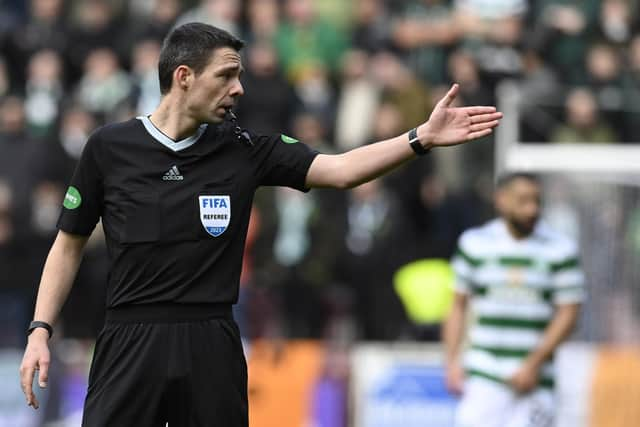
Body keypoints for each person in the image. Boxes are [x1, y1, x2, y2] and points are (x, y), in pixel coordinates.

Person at [19, 22, 502, 426]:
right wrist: (40, 329)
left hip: (211, 339)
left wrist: (419, 138)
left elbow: (341, 169)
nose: (239, 89)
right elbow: (68, 244)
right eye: (227, 75)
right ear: (184, 76)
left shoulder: (245, 149)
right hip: (129, 337)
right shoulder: (109, 147)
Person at [443, 173, 584, 427]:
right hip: (484, 374)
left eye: (536, 200)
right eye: (523, 200)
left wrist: (533, 364)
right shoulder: (475, 244)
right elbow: (457, 306)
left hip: (536, 379)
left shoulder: (560, 248)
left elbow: (569, 312)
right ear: (502, 200)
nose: (532, 209)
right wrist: (451, 362)